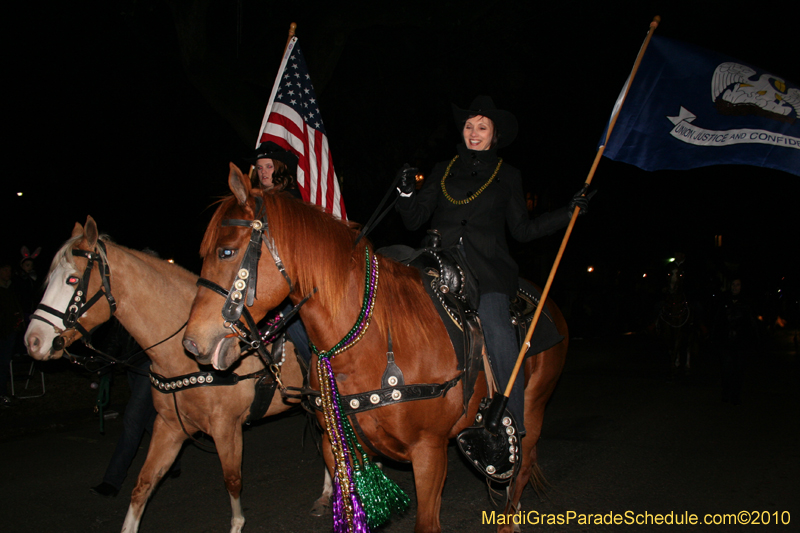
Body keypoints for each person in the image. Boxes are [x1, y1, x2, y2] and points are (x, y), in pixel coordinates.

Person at [395, 95, 592, 435]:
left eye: (482, 127)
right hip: (437, 261)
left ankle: (510, 422)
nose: (474, 132)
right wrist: (405, 193)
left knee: (498, 330)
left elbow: (523, 230)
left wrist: (567, 213)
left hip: (487, 271)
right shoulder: (444, 169)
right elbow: (413, 221)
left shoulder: (508, 175)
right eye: (469, 126)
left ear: (494, 134)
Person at [89, 320, 182, 497]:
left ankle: (112, 481)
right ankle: (173, 460)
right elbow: (114, 339)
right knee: (148, 419)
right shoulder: (122, 309)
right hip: (131, 366)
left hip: (149, 365)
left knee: (133, 419)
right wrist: (104, 368)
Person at [248, 142, 312, 364]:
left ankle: (314, 372)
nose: (263, 172)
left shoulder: (291, 201)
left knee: (289, 317)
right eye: (259, 168)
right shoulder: (255, 201)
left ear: (280, 168)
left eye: (268, 166)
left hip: (291, 277)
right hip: (259, 273)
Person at [712, 278, 759, 404]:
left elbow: (752, 322)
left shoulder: (746, 302)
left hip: (741, 342)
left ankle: (735, 395)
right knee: (726, 368)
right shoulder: (724, 300)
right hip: (725, 341)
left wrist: (753, 340)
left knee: (738, 369)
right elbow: (718, 320)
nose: (735, 287)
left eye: (737, 285)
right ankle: (726, 393)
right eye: (733, 284)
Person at [0, 260, 24, 407]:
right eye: (5, 270)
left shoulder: (10, 288)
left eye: (10, 270)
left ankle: (2, 393)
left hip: (9, 332)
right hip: (2, 332)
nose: (8, 273)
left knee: (3, 364)